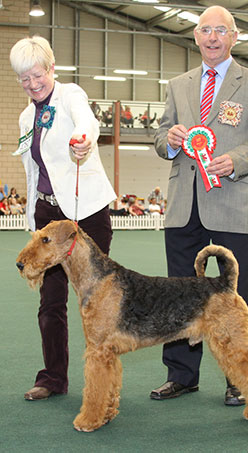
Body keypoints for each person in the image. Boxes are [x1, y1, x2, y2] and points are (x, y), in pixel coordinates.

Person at [152, 5, 248, 406]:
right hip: (182, 205)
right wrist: (169, 140)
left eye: (220, 30)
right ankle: (181, 375)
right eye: (205, 30)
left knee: (239, 296)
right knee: (176, 295)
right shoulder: (178, 84)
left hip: (229, 202)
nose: (212, 37)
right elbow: (160, 137)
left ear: (234, 36)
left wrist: (236, 162)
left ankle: (239, 377)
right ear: (195, 37)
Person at [10, 36, 116, 401]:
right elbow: (32, 169)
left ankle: (102, 379)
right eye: (24, 79)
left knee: (96, 300)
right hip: (47, 214)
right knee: (51, 301)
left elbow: (86, 122)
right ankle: (53, 378)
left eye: (37, 75)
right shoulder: (26, 115)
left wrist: (83, 139)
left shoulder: (71, 95)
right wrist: (32, 218)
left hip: (86, 211)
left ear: (51, 68)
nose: (32, 84)